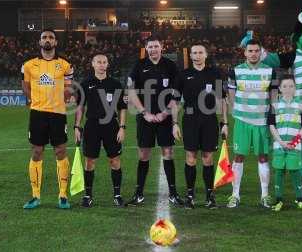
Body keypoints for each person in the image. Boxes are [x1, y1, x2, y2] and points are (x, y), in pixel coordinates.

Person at [127, 36, 183, 206]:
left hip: (164, 119)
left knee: (168, 153)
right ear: (146, 48)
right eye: (150, 47)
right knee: (143, 154)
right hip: (145, 118)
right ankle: (139, 193)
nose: (153, 49)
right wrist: (144, 112)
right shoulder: (139, 65)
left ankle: (173, 193)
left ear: (162, 47)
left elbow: (177, 93)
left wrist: (166, 113)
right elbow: (131, 90)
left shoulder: (170, 66)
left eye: (156, 46)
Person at [22, 29, 74, 209]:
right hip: (38, 113)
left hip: (58, 113)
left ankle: (63, 195)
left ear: (56, 42)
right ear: (39, 42)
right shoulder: (29, 65)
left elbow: (69, 88)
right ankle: (35, 196)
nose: (47, 40)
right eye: (44, 37)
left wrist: (67, 94)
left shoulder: (65, 65)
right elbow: (25, 86)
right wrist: (33, 100)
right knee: (37, 151)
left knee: (60, 151)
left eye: (51, 37)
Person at [172, 44, 228, 209]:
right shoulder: (183, 75)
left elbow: (222, 100)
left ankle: (210, 196)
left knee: (207, 158)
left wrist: (225, 123)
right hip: (189, 119)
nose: (197, 55)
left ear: (206, 55)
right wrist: (174, 124)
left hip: (209, 120)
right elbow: (174, 102)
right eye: (194, 52)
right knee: (190, 157)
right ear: (190, 55)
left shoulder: (214, 73)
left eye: (200, 52)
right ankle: (190, 196)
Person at [227, 39, 275, 209]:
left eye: (256, 51)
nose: (253, 54)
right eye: (250, 51)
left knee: (263, 157)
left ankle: (265, 195)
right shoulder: (236, 71)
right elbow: (231, 92)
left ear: (260, 52)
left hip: (262, 121)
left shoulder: (270, 71)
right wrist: (235, 110)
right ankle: (235, 195)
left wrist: (273, 115)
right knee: (239, 157)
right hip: (242, 121)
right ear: (245, 52)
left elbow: (273, 94)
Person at [74, 53, 127, 208]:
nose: (102, 64)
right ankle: (88, 195)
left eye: (104, 62)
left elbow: (122, 108)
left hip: (112, 125)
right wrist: (77, 126)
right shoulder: (85, 84)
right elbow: (80, 108)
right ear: (93, 64)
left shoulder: (116, 84)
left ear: (107, 65)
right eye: (99, 62)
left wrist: (122, 128)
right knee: (90, 161)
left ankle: (117, 195)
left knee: (114, 160)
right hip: (92, 126)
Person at [267, 74, 302, 212]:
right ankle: (279, 200)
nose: (288, 89)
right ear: (280, 88)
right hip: (279, 145)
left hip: (295, 146)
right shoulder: (274, 105)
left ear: (295, 88)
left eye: (291, 86)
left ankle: (300, 200)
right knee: (279, 171)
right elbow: (271, 126)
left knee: (295, 172)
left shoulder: (301, 105)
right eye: (285, 86)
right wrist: (280, 142)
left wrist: (295, 141)